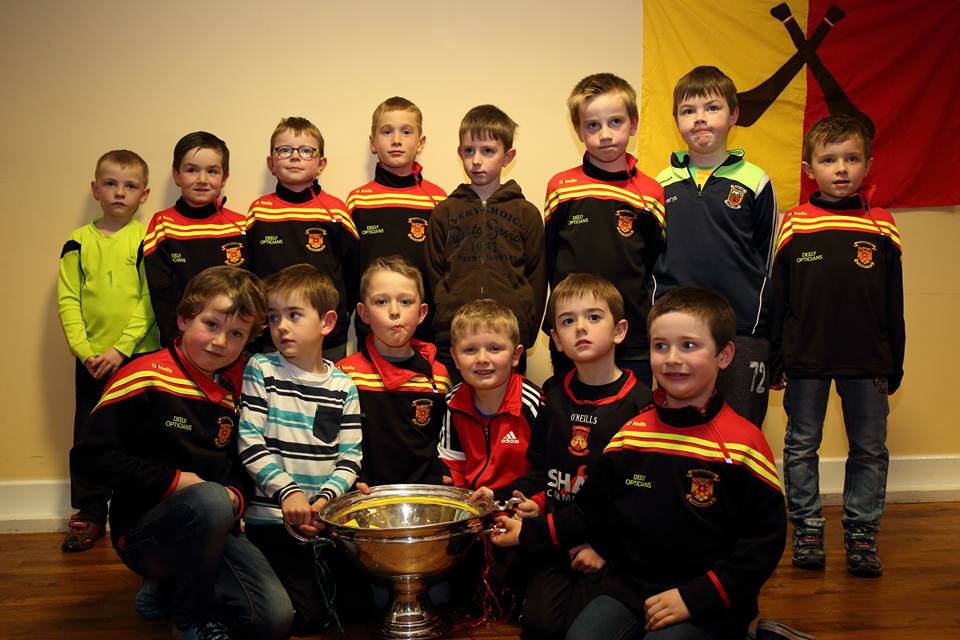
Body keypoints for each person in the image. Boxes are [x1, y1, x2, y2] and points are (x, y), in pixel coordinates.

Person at [493, 287, 786, 640]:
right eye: (660, 346)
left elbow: (763, 543)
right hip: (632, 586)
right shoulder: (632, 434)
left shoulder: (744, 443)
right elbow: (591, 513)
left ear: (724, 355)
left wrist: (695, 598)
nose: (672, 358)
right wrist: (527, 532)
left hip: (707, 597)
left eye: (689, 346)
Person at [70, 266, 293, 640]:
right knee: (205, 497)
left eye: (236, 333)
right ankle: (190, 618)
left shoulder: (232, 393)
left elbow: (239, 468)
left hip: (213, 527)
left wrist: (233, 499)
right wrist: (175, 482)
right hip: (142, 535)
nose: (221, 342)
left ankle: (169, 587)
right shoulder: (143, 376)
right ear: (184, 319)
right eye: (210, 324)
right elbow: (90, 458)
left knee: (274, 619)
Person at [477, 273, 652, 638]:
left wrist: (604, 549)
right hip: (554, 539)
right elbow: (540, 469)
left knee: (584, 628)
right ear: (555, 339)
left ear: (619, 330)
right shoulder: (553, 394)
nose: (580, 329)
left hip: (608, 548)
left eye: (593, 317)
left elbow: (640, 499)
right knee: (540, 626)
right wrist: (512, 497)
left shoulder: (640, 404)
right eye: (568, 321)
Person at [770, 114, 905, 578]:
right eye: (829, 160)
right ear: (811, 167)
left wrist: (896, 363)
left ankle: (861, 531)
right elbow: (778, 297)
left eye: (851, 159)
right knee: (801, 444)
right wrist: (775, 358)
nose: (841, 168)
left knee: (869, 448)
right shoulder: (795, 224)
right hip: (806, 358)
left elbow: (893, 304)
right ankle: (807, 526)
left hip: (867, 360)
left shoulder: (882, 226)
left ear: (868, 165)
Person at [238, 264, 365, 632]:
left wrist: (323, 502)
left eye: (294, 315)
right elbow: (249, 442)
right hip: (272, 521)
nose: (281, 327)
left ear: (326, 323)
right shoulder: (261, 370)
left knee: (356, 607)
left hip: (322, 520)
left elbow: (350, 458)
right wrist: (288, 492)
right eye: (274, 317)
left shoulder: (344, 387)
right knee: (304, 618)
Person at [651, 66, 779, 428]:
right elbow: (650, 256)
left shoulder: (756, 181)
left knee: (740, 428)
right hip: (676, 330)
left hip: (739, 329)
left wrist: (766, 331)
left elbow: (766, 259)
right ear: (676, 119)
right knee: (678, 427)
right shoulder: (660, 184)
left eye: (712, 108)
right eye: (688, 111)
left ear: (734, 115)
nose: (700, 119)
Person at [57, 149, 160, 552]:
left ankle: (139, 508)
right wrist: (85, 351)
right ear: (95, 189)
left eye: (130, 186)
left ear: (144, 194)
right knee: (90, 434)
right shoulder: (77, 242)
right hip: (92, 361)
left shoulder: (147, 238)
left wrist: (122, 348)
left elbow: (150, 301)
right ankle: (89, 511)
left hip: (137, 357)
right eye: (111, 184)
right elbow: (69, 300)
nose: (120, 192)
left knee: (141, 435)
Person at [544, 72, 666, 386]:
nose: (605, 135)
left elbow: (655, 265)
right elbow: (548, 260)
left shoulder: (651, 192)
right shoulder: (561, 187)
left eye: (616, 122)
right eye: (593, 125)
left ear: (634, 124)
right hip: (574, 335)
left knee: (630, 423)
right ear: (579, 131)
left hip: (633, 336)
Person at [425, 104, 546, 383]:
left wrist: (525, 326)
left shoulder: (526, 213)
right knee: (456, 413)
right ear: (460, 153)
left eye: (488, 151)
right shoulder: (444, 212)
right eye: (469, 151)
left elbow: (537, 276)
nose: (476, 160)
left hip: (506, 339)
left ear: (508, 156)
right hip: (455, 338)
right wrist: (444, 315)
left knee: (507, 414)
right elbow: (434, 271)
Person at [245, 117, 358, 361]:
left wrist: (337, 317)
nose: (295, 157)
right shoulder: (259, 213)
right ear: (271, 163)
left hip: (326, 338)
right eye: (284, 150)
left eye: (306, 151)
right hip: (271, 335)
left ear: (321, 164)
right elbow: (249, 273)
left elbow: (352, 274)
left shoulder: (335, 212)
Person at [336, 256, 451, 488]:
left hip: (423, 496)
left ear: (421, 313)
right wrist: (350, 481)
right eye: (381, 302)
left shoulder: (438, 376)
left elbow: (443, 441)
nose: (394, 311)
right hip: (364, 497)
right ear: (363, 313)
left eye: (406, 302)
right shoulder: (345, 374)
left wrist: (442, 473)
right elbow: (332, 443)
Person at [346, 97, 446, 346]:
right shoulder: (358, 201)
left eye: (406, 132)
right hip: (372, 328)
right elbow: (349, 269)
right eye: (387, 131)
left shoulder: (438, 200)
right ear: (373, 142)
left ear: (421, 142)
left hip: (425, 328)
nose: (396, 140)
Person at [143, 131, 248, 347]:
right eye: (192, 170)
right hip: (181, 344)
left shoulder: (241, 226)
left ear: (224, 177)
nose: (202, 180)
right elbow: (161, 294)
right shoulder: (163, 225)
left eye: (212, 171)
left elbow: (249, 291)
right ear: (176, 174)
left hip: (232, 346)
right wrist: (179, 341)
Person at [438, 299, 544, 492]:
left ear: (515, 356)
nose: (482, 359)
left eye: (495, 349)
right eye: (470, 350)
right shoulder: (452, 402)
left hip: (521, 506)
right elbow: (453, 467)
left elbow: (546, 471)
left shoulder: (534, 403)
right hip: (472, 506)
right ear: (455, 357)